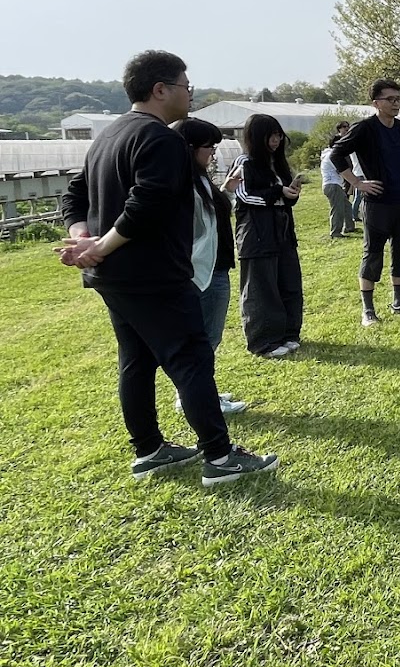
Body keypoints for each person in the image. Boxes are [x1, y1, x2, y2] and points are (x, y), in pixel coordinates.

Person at [57, 49, 278, 485]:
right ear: (160, 89)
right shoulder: (161, 139)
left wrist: (85, 240)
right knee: (191, 357)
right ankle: (220, 457)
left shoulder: (108, 135)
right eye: (185, 86)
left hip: (114, 276)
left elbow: (73, 195)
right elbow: (147, 204)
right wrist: (98, 243)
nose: (190, 94)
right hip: (153, 273)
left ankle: (150, 450)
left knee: (136, 360)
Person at [330, 78, 400, 327]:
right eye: (390, 99)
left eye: (398, 99)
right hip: (377, 203)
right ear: (376, 103)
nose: (396, 104)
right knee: (372, 253)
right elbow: (336, 154)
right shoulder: (364, 128)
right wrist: (357, 183)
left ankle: (399, 302)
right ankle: (368, 310)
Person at [172, 118, 246, 414]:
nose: (213, 153)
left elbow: (211, 216)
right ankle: (193, 397)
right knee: (203, 339)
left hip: (215, 267)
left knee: (206, 339)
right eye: (208, 147)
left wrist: (226, 190)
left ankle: (201, 391)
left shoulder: (199, 178)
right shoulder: (182, 183)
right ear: (190, 148)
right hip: (203, 271)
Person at [229, 113, 304, 359]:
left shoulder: (278, 163)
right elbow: (243, 196)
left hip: (283, 232)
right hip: (257, 234)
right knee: (262, 289)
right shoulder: (245, 162)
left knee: (289, 284)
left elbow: (283, 197)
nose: (275, 141)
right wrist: (278, 192)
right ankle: (264, 341)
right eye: (270, 136)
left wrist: (290, 193)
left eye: (278, 136)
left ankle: (288, 333)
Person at [320, 125, 356, 240]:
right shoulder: (332, 155)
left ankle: (350, 227)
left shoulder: (328, 154)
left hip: (334, 184)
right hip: (333, 184)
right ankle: (335, 232)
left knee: (346, 206)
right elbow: (341, 170)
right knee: (337, 209)